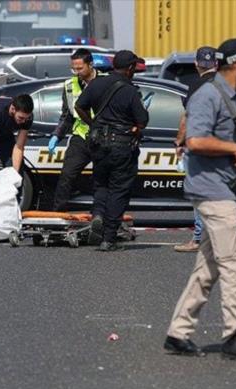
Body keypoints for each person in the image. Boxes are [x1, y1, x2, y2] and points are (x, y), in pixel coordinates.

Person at [163, 38, 236, 361]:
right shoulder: (208, 95)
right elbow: (194, 140)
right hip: (211, 190)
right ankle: (234, 335)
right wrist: (233, 149)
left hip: (228, 189)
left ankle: (178, 333)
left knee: (207, 268)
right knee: (235, 262)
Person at [74, 50, 149, 251]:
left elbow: (78, 106)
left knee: (101, 184)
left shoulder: (96, 83)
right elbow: (142, 120)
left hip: (98, 144)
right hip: (122, 146)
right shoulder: (130, 90)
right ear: (131, 68)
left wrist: (93, 123)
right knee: (119, 189)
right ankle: (108, 237)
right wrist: (134, 127)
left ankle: (97, 214)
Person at [173, 46, 218, 253]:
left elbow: (188, 117)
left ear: (196, 64)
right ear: (216, 64)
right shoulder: (225, 82)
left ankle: (199, 239)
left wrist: (179, 141)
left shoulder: (195, 85)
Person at [49, 48, 104, 212]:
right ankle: (59, 214)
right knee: (67, 176)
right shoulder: (69, 86)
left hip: (103, 137)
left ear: (91, 64)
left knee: (101, 178)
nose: (76, 72)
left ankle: (99, 214)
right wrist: (56, 136)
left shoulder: (106, 82)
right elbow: (67, 116)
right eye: (74, 68)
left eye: (80, 68)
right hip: (81, 137)